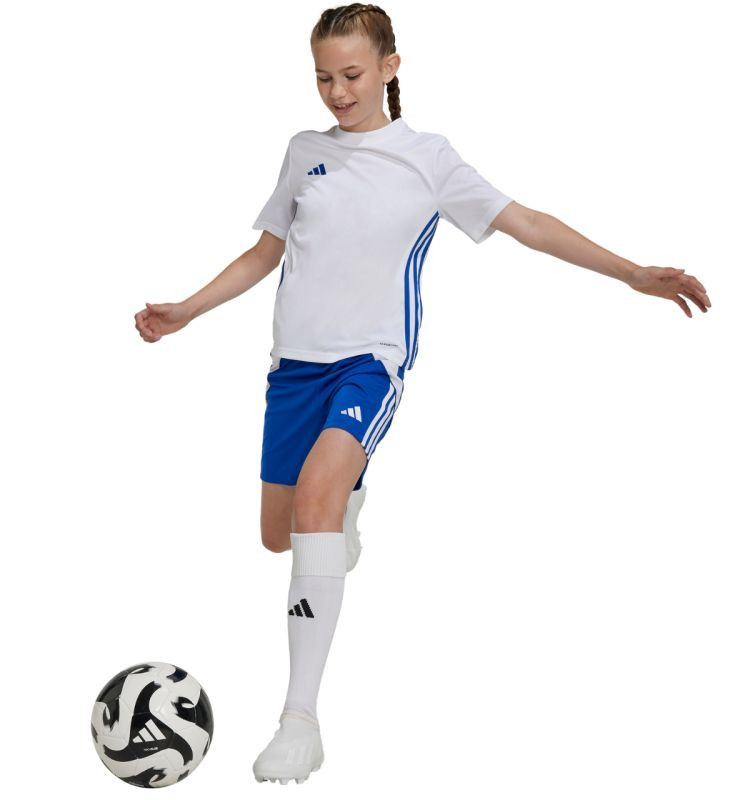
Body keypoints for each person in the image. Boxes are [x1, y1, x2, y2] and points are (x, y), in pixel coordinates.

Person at [133, 2, 712, 786]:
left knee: (315, 505)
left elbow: (530, 223)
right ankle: (343, 512)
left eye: (352, 75)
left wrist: (633, 273)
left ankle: (300, 721)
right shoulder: (304, 151)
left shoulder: (427, 158)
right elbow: (265, 252)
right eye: (323, 78)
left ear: (389, 68)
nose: (338, 92)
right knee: (280, 535)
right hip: (293, 370)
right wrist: (188, 309)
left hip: (369, 364)